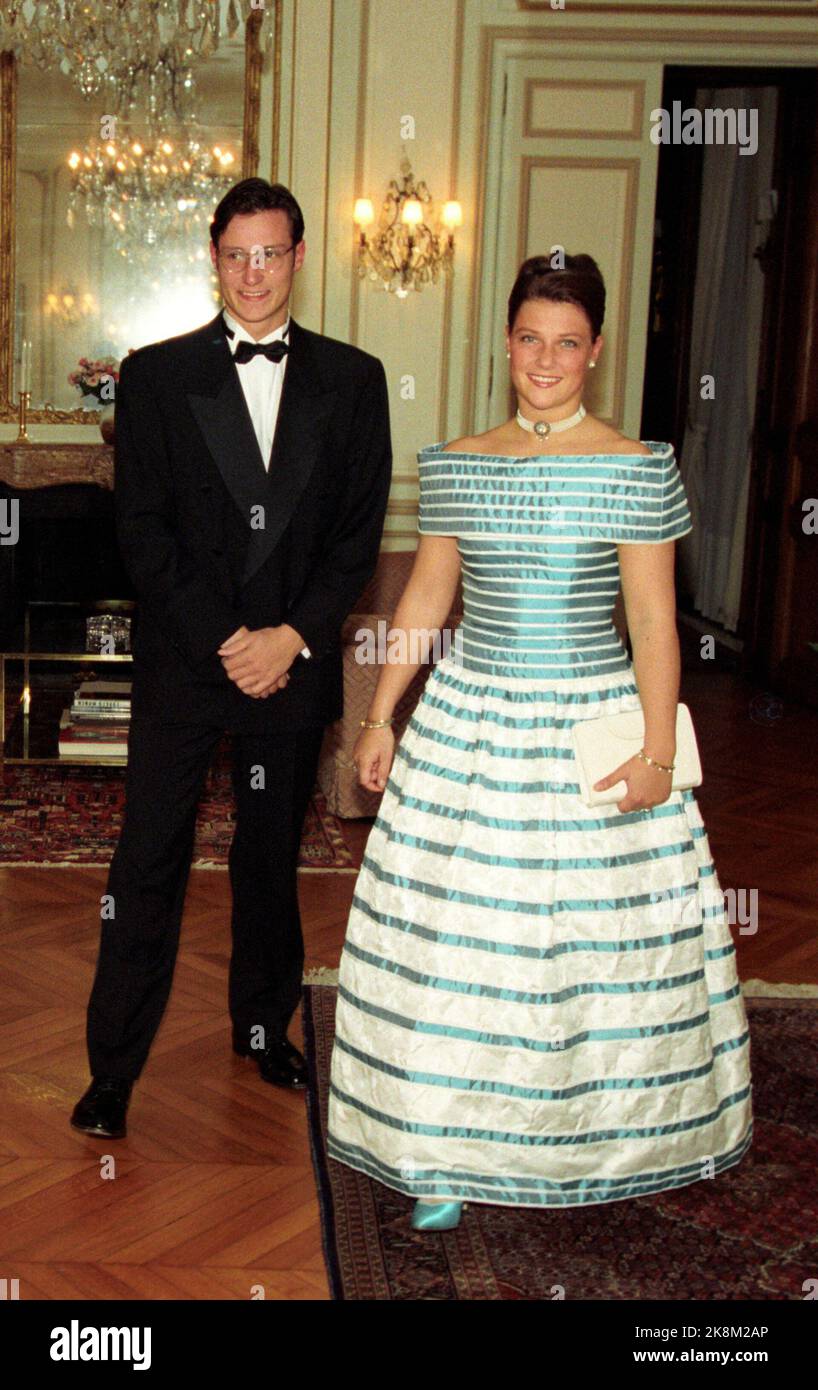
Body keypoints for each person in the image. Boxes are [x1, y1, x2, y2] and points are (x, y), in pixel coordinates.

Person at [327, 253, 752, 1231]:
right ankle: (440, 1144)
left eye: (566, 342)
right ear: (505, 343)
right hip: (470, 721)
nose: (545, 358)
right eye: (529, 338)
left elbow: (650, 624)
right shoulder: (464, 458)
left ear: (594, 350)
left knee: (579, 948)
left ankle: (605, 1133)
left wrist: (654, 753)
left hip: (587, 727)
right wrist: (381, 712)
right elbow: (427, 597)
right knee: (458, 943)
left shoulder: (632, 466)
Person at [71, 178, 392, 1139]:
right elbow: (144, 533)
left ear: (299, 257)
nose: (255, 273)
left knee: (268, 862)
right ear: (215, 259)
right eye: (237, 254)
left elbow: (357, 535)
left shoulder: (355, 378)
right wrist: (229, 638)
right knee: (147, 862)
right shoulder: (156, 376)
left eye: (272, 253)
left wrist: (287, 639)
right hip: (188, 662)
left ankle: (263, 1031)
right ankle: (112, 1071)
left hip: (289, 668)